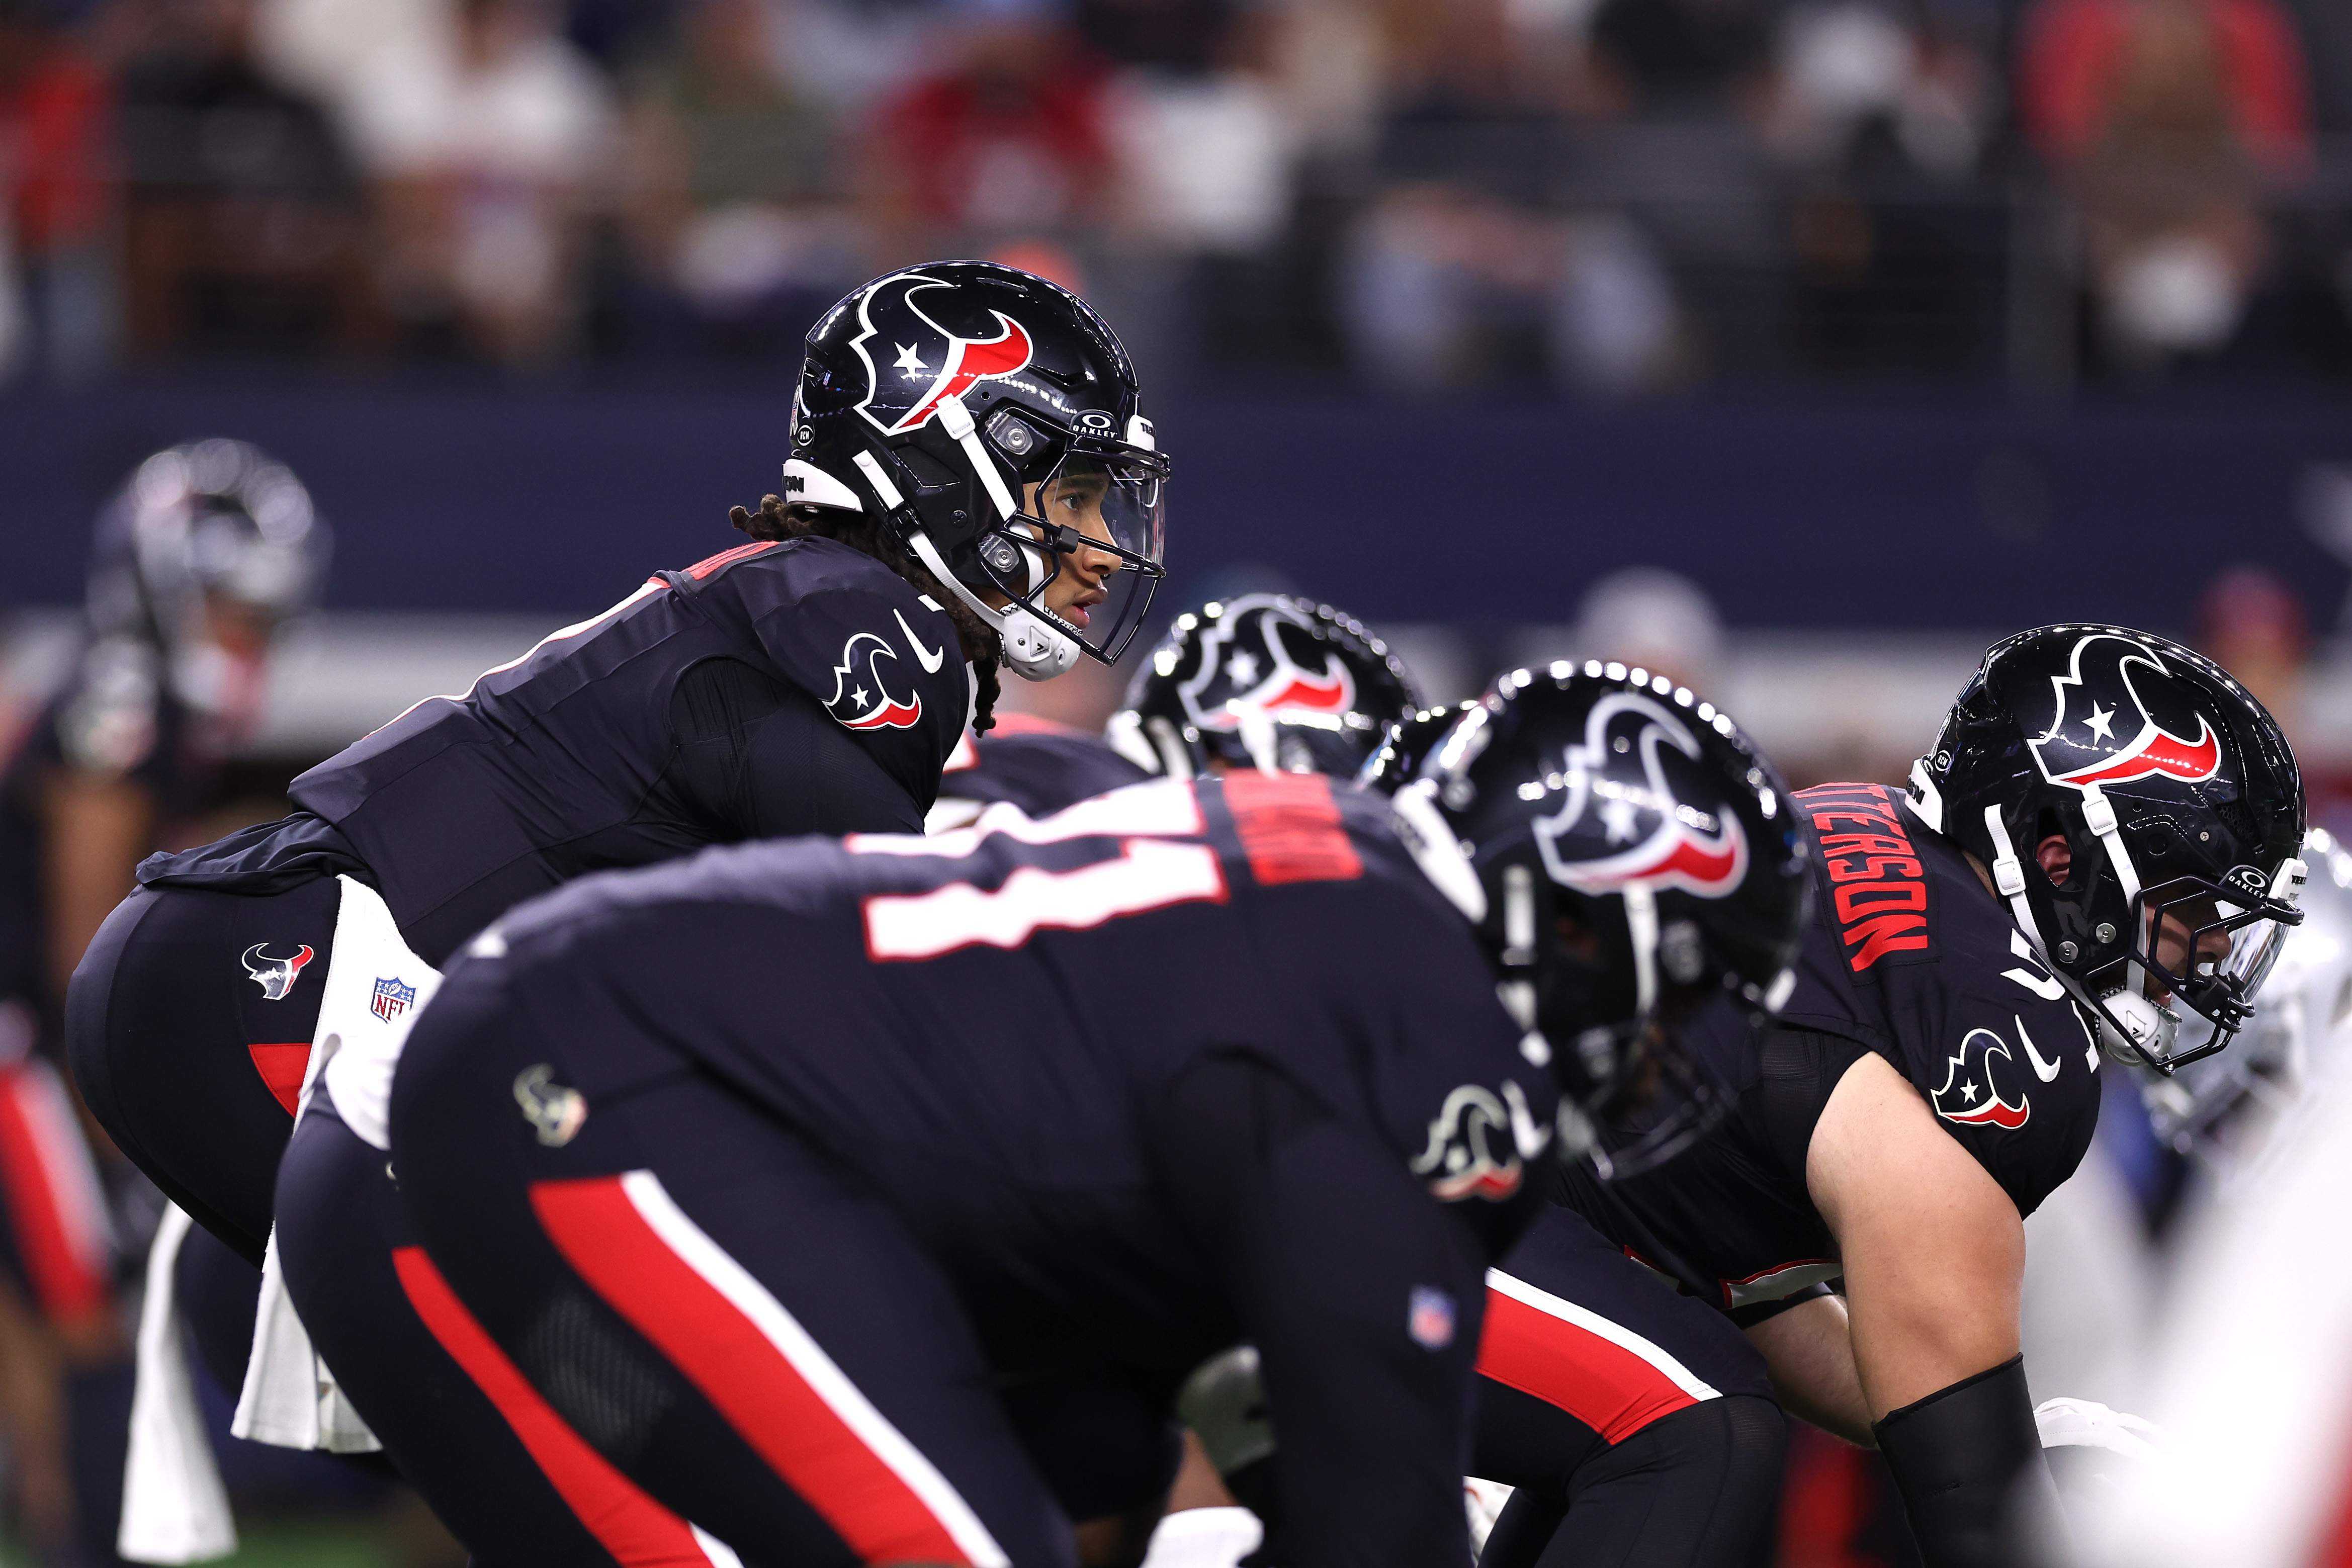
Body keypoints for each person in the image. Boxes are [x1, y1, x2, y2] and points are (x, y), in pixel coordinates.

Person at [68, 259, 1169, 1563]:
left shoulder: (809, 599)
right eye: (1070, 490)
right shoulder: (865, 621)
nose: (1096, 540)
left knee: (619, 1438)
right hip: (297, 995)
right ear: (947, 454)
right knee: (654, 1457)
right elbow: (877, 1007)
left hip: (265, 993)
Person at [379, 663, 1807, 1565]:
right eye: (1685, 976)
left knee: (1058, 1499)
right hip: (604, 1098)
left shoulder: (1338, 875)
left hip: (570, 1084)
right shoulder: (1413, 1014)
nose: (1678, 1038)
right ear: (1571, 913)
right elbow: (1377, 1520)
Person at [1514, 624, 2303, 1567]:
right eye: (2192, 906)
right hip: (1449, 1188)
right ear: (2060, 857)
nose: (2207, 952)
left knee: (1683, 1388)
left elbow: (1739, 1288)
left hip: (1484, 1166)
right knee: (1697, 1434)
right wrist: (2027, 1482)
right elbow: (1972, 1516)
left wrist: (2011, 1433)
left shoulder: (1868, 825)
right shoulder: (2007, 1043)